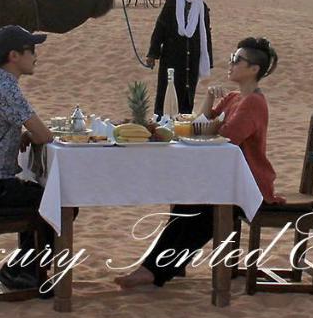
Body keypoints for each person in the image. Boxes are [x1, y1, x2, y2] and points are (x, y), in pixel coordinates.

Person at [116, 36, 285, 290]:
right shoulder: (234, 97)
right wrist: (207, 98)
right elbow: (197, 125)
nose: (231, 63)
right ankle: (157, 268)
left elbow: (228, 136)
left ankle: (154, 271)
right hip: (226, 180)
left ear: (254, 69)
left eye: (237, 60)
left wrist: (212, 127)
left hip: (247, 186)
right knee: (186, 202)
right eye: (232, 58)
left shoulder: (253, 103)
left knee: (202, 214)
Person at [0, 24, 55, 293]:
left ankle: (21, 269)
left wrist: (17, 137)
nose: (35, 56)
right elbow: (43, 135)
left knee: (42, 196)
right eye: (31, 51)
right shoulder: (7, 89)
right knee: (57, 202)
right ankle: (24, 272)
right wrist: (32, 134)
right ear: (14, 56)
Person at [145, 0, 213, 117]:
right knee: (167, 93)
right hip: (172, 58)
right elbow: (160, 29)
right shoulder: (172, 4)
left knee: (187, 94)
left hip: (192, 60)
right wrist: (152, 54)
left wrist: (208, 61)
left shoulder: (202, 7)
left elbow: (206, 35)